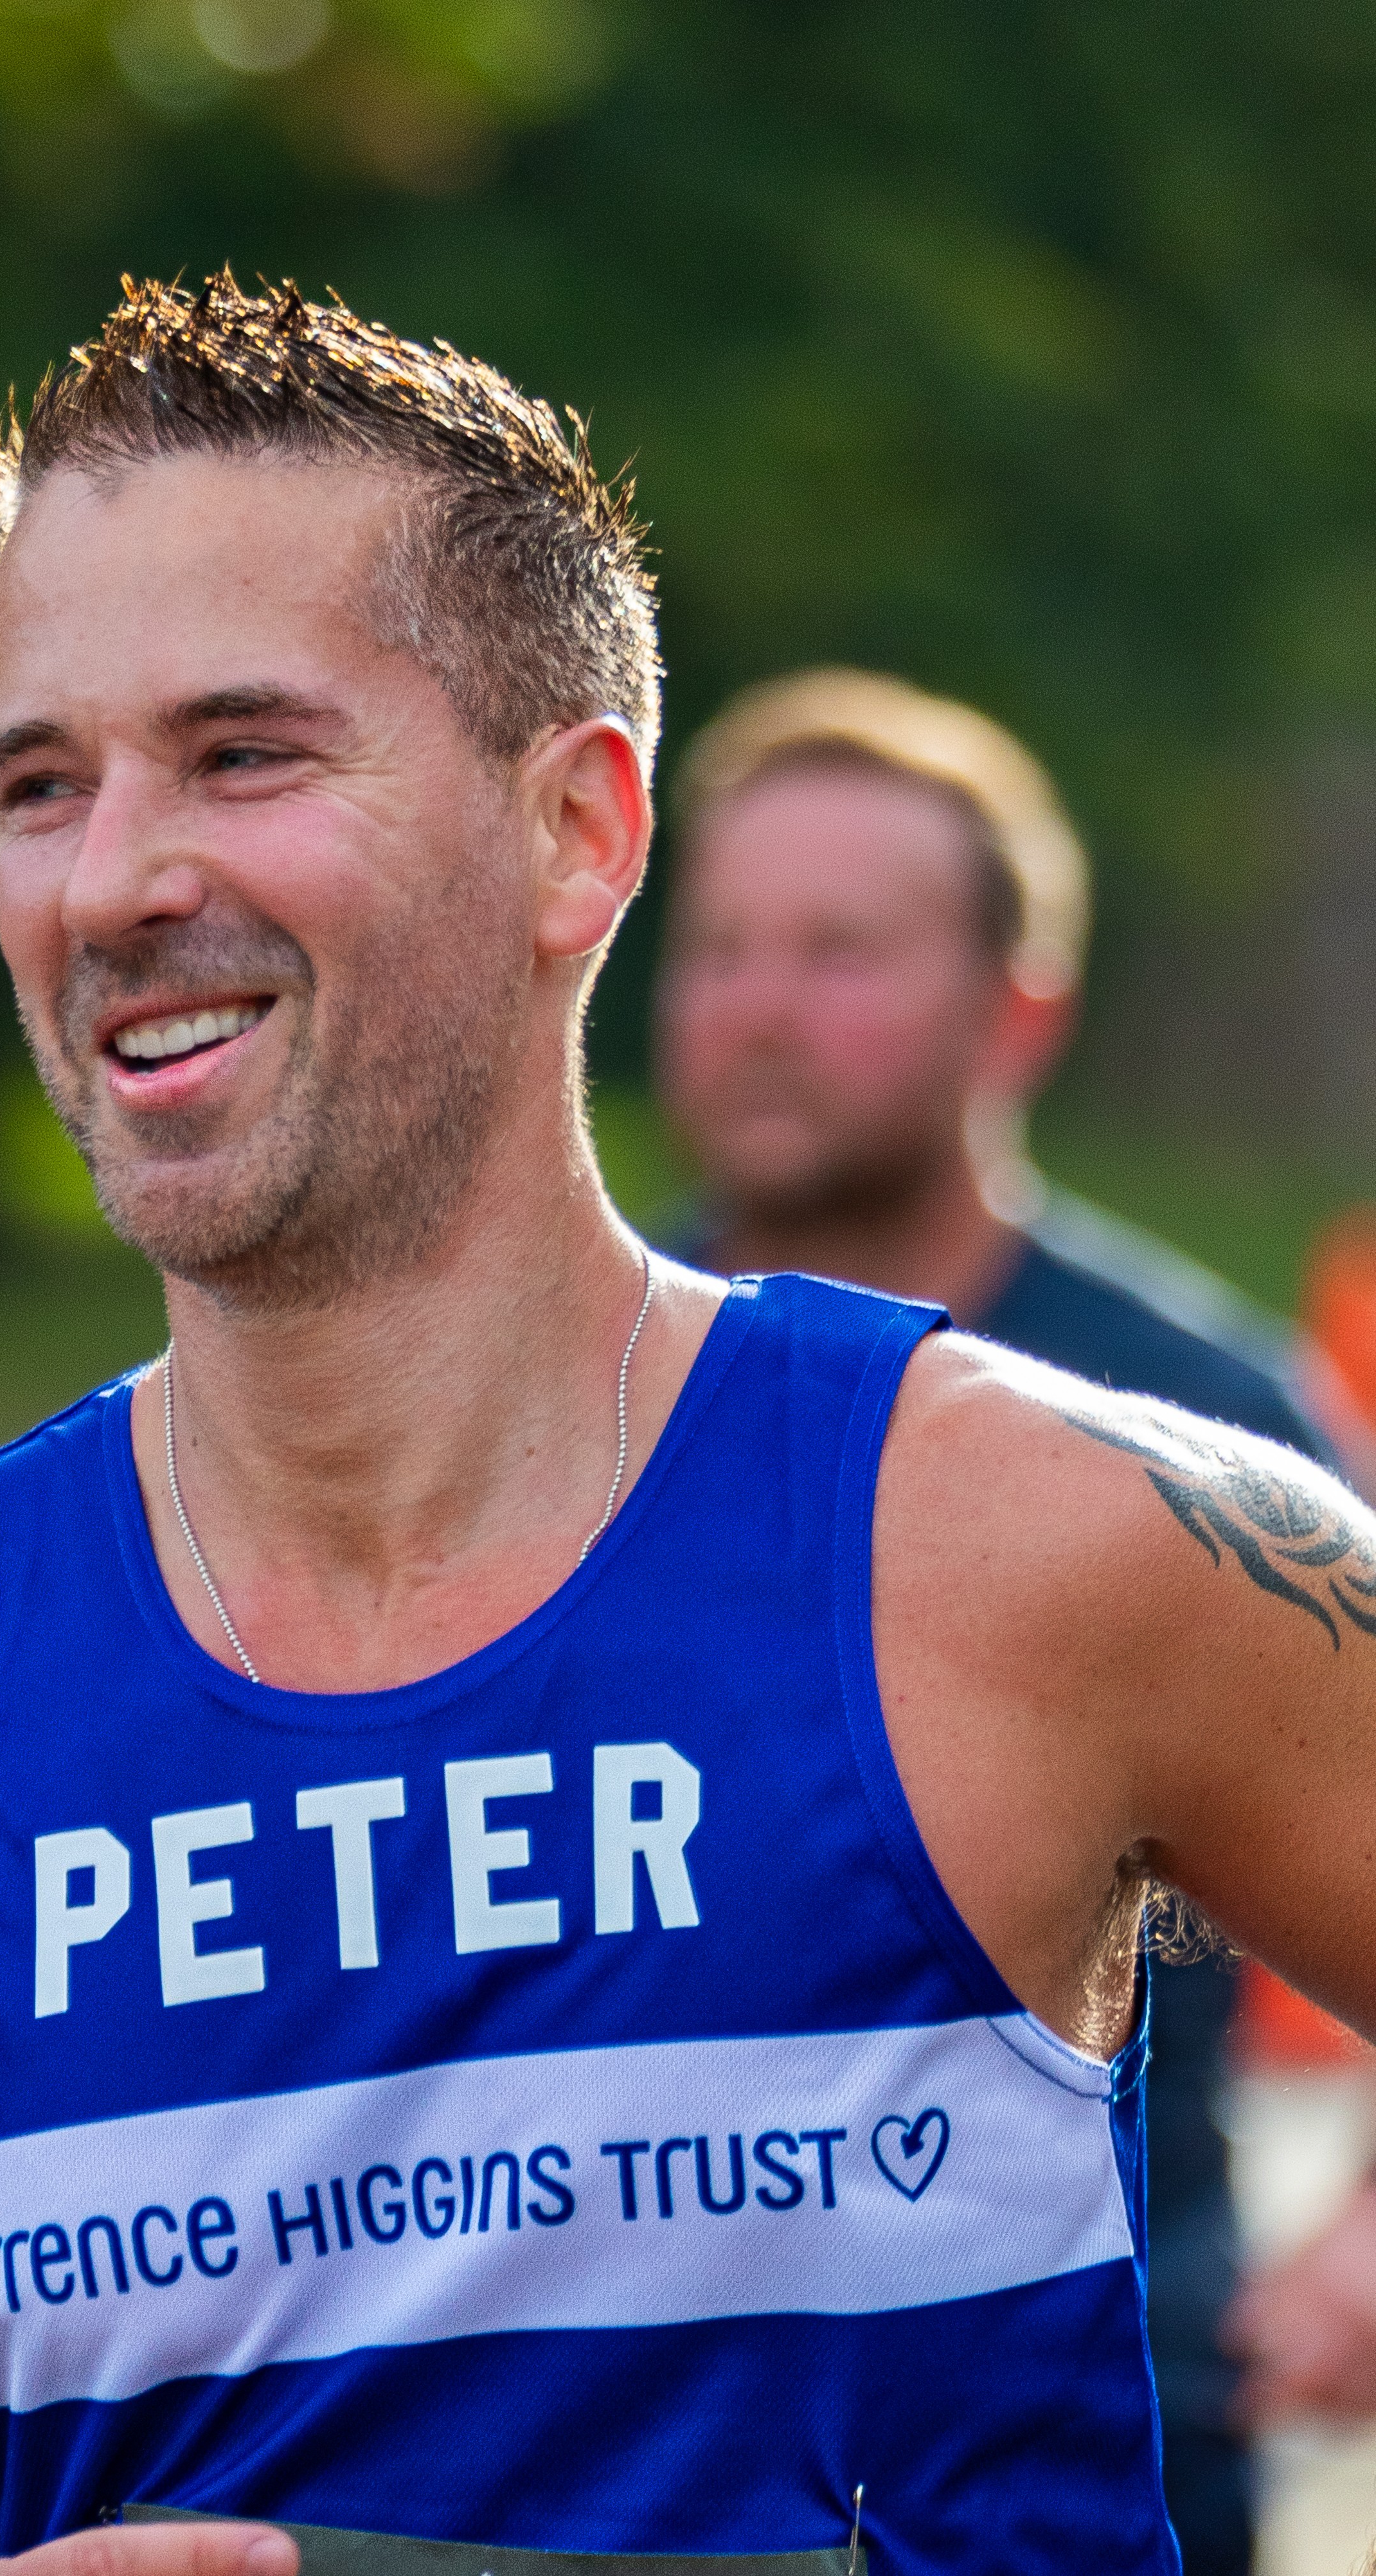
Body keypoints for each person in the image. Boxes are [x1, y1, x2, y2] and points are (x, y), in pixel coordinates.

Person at [0, 276, 1376, 2576]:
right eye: (40, 784)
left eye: (246, 755)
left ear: (576, 833)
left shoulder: (1047, 1545)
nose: (117, 883)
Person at [648, 668, 1348, 2576]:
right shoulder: (547, 1395)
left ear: (1015, 1002)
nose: (761, 1005)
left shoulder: (1207, 1430)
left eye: (840, 951)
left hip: (1105, 2436)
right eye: (717, 947)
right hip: (645, 2457)